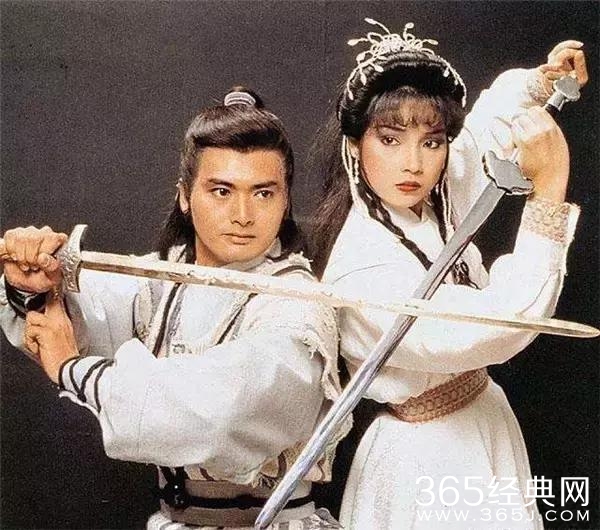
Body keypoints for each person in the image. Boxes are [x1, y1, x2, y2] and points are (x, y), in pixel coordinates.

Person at [0, 88, 345, 529]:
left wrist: (72, 367)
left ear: (285, 201)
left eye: (263, 193)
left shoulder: (298, 303)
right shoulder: (161, 281)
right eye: (221, 191)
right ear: (185, 196)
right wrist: (32, 286)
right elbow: (86, 314)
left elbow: (220, 413)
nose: (243, 214)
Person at [309, 20, 588, 530]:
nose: (413, 163)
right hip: (425, 456)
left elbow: (482, 134)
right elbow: (498, 326)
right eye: (389, 139)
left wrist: (540, 83)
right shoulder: (362, 268)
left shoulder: (427, 197)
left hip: (485, 425)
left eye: (432, 142)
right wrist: (548, 191)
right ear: (354, 143)